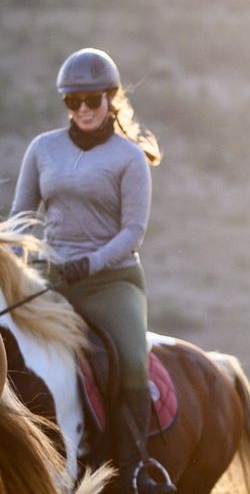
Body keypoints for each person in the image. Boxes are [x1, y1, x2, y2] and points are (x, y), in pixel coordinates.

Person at [11, 48, 173, 494]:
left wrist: (91, 261)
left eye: (91, 100)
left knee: (131, 361)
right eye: (72, 101)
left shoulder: (129, 158)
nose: (82, 109)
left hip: (112, 281)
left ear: (110, 98)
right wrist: (24, 259)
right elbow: (21, 216)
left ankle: (138, 468)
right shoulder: (42, 149)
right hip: (50, 278)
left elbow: (133, 231)